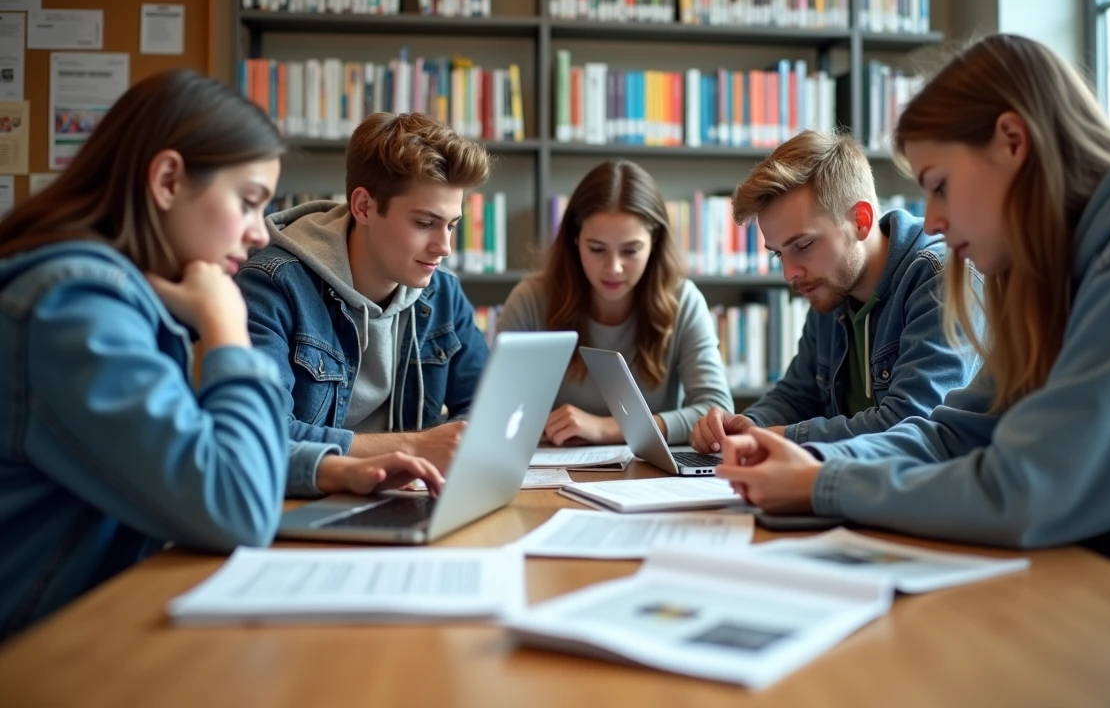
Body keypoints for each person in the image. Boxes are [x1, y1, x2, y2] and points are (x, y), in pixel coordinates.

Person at [716, 34, 1110, 593]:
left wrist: (825, 485)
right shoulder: (1046, 279)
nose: (934, 220)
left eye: (940, 186)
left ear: (1012, 142)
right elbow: (955, 435)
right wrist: (817, 464)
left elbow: (1029, 490)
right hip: (1092, 590)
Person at [0, 71, 441, 641]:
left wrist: (328, 469)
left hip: (102, 612)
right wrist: (227, 333)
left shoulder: (128, 296)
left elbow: (188, 451)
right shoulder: (73, 310)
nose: (261, 233)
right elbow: (236, 507)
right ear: (166, 180)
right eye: (249, 202)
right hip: (47, 647)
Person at [237, 112, 491, 496]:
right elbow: (265, 433)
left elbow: (484, 406)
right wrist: (414, 448)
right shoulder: (271, 284)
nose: (445, 247)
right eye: (425, 223)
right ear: (364, 207)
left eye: (452, 225)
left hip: (403, 499)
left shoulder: (443, 293)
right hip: (305, 505)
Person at [691, 130, 982, 454]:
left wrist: (777, 439)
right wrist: (745, 426)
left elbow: (911, 425)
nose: (790, 274)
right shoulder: (829, 288)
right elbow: (796, 395)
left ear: (860, 220)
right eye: (778, 253)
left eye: (803, 245)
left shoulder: (941, 278)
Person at [496, 160, 732, 445]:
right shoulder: (531, 299)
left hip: (651, 479)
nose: (614, 268)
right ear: (574, 239)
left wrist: (607, 428)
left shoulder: (684, 300)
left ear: (654, 242)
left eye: (630, 251)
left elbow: (717, 412)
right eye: (597, 249)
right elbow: (496, 410)